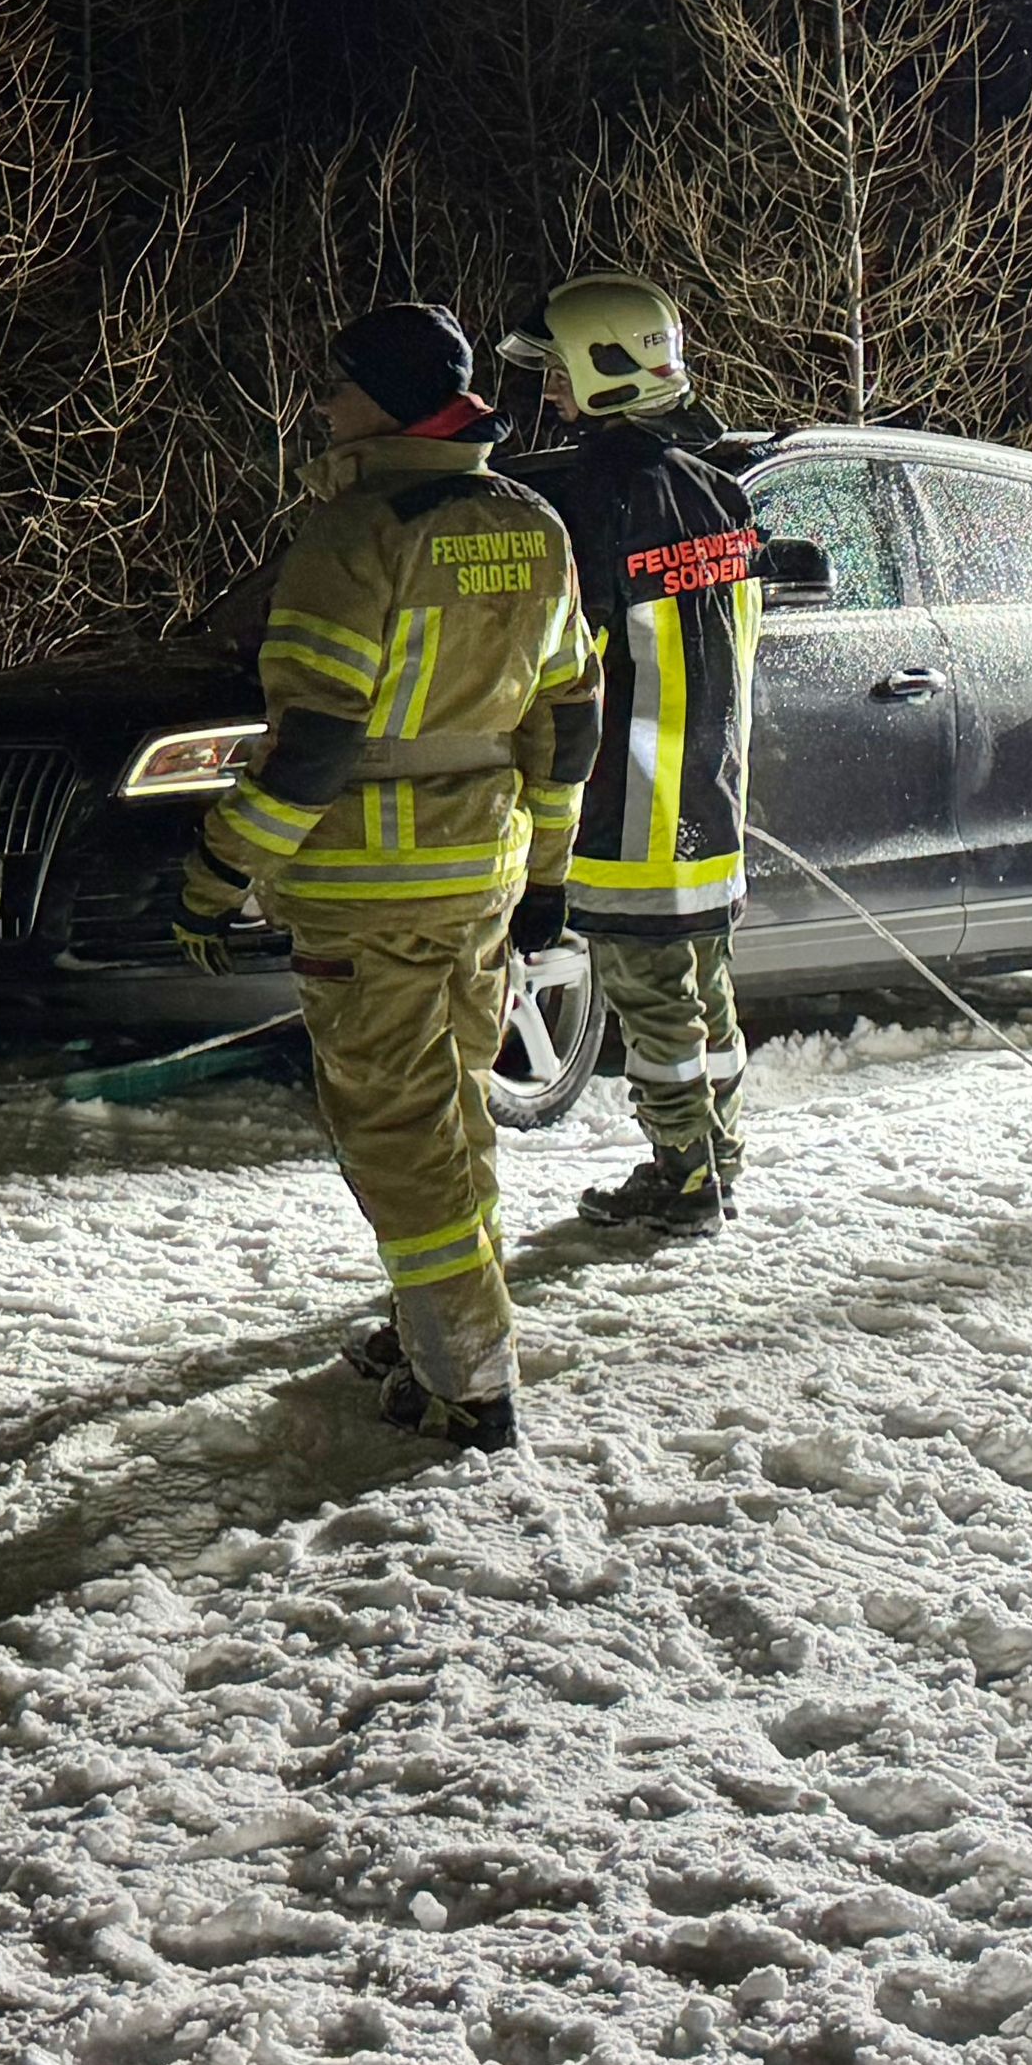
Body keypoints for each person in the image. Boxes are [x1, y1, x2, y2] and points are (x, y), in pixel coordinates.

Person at [173, 304, 600, 1448]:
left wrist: (218, 869)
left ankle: (467, 1373)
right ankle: (439, 1323)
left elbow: (311, 745)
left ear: (385, 400)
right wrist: (548, 873)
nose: (320, 404)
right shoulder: (533, 524)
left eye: (337, 383)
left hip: (370, 896)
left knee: (400, 1136)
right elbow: (572, 717)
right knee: (449, 1112)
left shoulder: (352, 535)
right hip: (482, 882)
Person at [499, 271, 759, 1236]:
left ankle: (683, 1181)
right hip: (711, 799)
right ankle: (720, 1158)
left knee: (653, 1007)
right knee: (708, 992)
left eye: (559, 374)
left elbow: (570, 666)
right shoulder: (718, 490)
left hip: (623, 803)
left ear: (607, 368)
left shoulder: (593, 500)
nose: (552, 393)